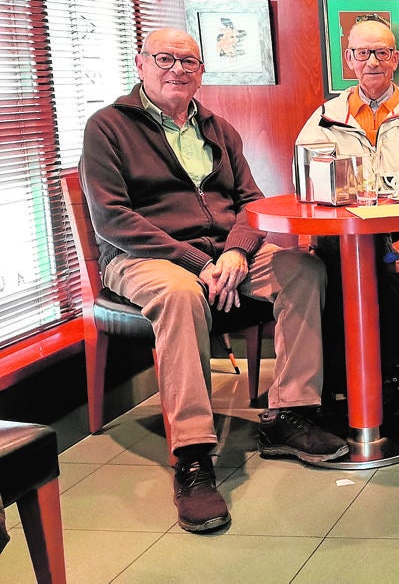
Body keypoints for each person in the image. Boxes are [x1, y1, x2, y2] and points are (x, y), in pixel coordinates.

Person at [79, 29, 348, 534]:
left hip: (223, 254)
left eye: (189, 61)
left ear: (202, 71)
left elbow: (251, 202)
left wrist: (234, 253)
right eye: (165, 58)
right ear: (141, 64)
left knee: (303, 269)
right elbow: (112, 219)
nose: (178, 69)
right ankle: (194, 456)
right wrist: (195, 262)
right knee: (181, 296)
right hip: (146, 256)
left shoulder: (218, 128)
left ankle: (289, 413)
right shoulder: (108, 128)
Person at [295, 17, 399, 402]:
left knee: (388, 264)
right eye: (363, 53)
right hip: (345, 239)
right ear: (349, 59)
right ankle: (343, 379)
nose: (372, 61)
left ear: (395, 58)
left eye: (381, 52)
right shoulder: (327, 116)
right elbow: (307, 185)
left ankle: (387, 377)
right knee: (344, 265)